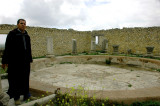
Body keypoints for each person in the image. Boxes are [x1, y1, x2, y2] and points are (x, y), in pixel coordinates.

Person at [1, 19, 36, 105]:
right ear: (17, 25)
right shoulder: (12, 34)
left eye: (24, 23)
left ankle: (26, 94)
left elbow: (28, 49)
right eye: (21, 23)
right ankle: (16, 97)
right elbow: (7, 48)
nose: (23, 25)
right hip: (15, 62)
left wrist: (30, 59)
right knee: (15, 79)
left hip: (25, 62)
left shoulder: (27, 35)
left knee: (25, 78)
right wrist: (4, 61)